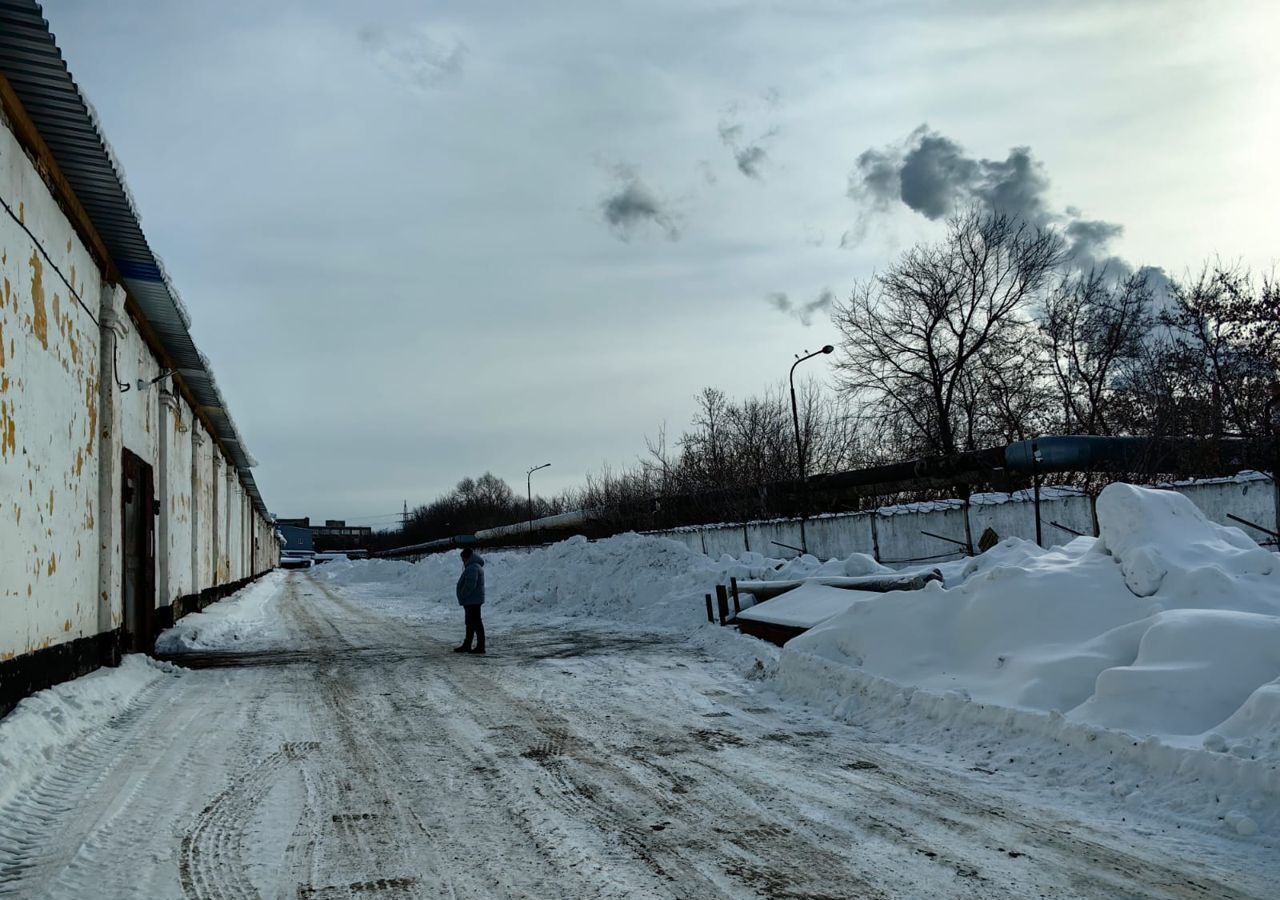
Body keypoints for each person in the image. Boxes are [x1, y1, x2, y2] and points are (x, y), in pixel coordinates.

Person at [454, 547, 486, 654]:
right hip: (472, 600)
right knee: (471, 623)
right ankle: (467, 645)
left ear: (467, 557)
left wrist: (463, 594)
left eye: (463, 558)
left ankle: (480, 647)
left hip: (472, 600)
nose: (462, 561)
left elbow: (470, 584)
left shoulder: (472, 567)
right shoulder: (474, 566)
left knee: (475, 623)